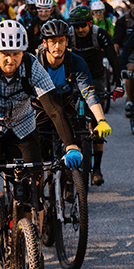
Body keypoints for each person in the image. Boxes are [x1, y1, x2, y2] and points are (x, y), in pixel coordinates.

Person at [0, 20, 83, 265]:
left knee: (33, 181)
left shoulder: (33, 66)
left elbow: (54, 108)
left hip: (22, 125)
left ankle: (33, 257)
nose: (10, 60)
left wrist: (71, 144)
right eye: (5, 55)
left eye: (16, 54)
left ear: (24, 52)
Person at [35, 19, 112, 181]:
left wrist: (101, 120)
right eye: (53, 42)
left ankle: (71, 183)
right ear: (45, 43)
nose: (58, 46)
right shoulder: (35, 62)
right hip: (39, 108)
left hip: (64, 106)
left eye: (62, 41)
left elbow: (89, 93)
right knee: (37, 156)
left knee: (76, 142)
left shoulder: (76, 62)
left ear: (67, 42)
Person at [67, 7, 121, 185]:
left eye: (83, 25)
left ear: (90, 23)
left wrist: (118, 83)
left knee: (98, 124)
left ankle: (97, 169)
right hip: (74, 78)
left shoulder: (100, 34)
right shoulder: (69, 35)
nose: (79, 29)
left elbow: (113, 58)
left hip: (96, 78)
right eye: (76, 26)